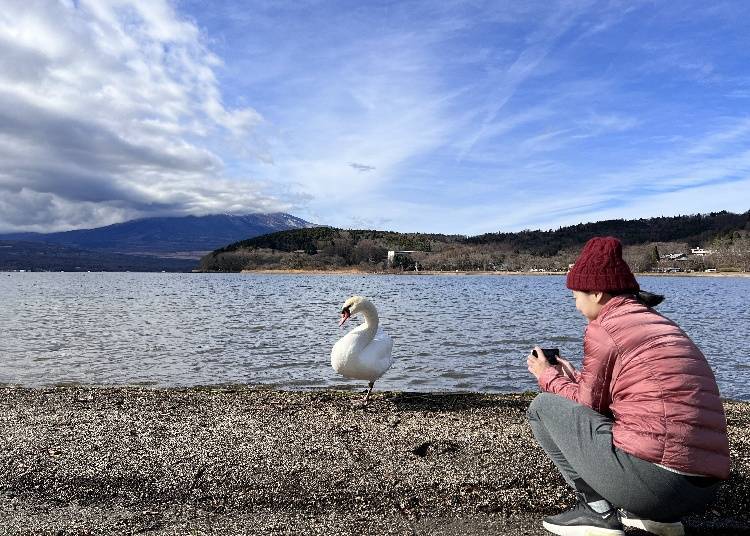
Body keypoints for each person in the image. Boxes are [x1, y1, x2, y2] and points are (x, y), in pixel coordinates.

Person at [526, 236, 730, 536]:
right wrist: (574, 378)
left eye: (575, 294)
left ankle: (597, 512)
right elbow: (629, 399)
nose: (574, 301)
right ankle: (653, 517)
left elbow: (586, 407)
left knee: (541, 408)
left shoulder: (605, 327)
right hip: (702, 488)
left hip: (658, 485)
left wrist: (547, 376)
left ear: (596, 292)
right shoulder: (658, 323)